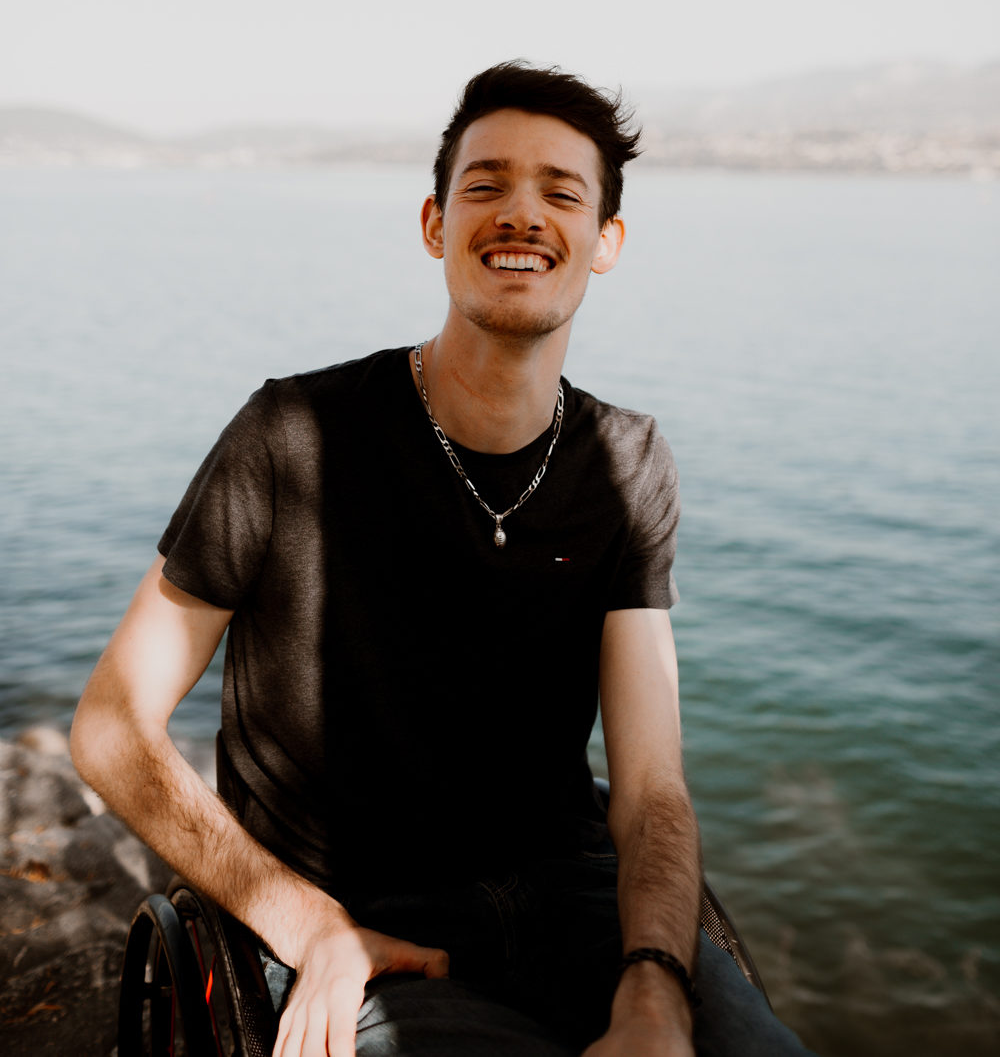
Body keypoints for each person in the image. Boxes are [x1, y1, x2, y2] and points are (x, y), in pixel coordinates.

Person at [71, 62, 813, 1057]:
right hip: (355, 920)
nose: (521, 214)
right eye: (486, 184)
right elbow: (111, 725)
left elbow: (648, 792)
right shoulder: (290, 434)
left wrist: (654, 985)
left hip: (574, 901)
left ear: (606, 241)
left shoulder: (629, 463)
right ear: (434, 225)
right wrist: (306, 925)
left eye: (561, 193)